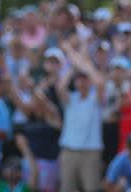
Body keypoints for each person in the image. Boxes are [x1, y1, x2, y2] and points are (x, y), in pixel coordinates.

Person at [56, 41, 105, 192]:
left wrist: (85, 65)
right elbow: (60, 87)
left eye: (85, 79)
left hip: (90, 153)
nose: (82, 81)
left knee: (91, 189)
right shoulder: (71, 98)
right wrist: (73, 67)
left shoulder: (95, 99)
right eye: (79, 78)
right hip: (69, 152)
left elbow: (99, 83)